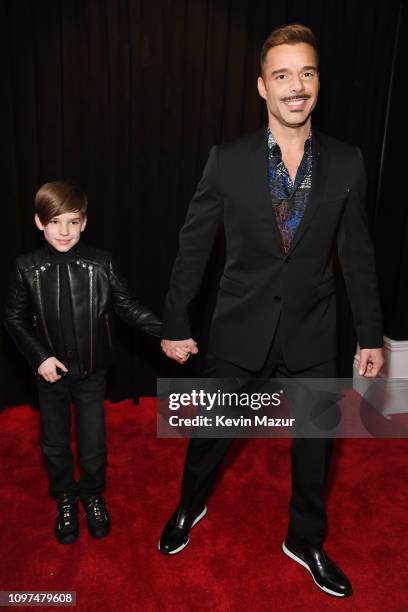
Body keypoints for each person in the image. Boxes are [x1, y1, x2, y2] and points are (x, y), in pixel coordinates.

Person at [158, 24, 384, 598]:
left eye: (306, 73)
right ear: (262, 87)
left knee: (315, 451)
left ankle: (305, 539)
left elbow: (357, 255)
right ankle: (189, 504)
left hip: (315, 330)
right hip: (239, 327)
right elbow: (193, 246)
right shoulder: (227, 160)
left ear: (317, 83)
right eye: (282, 75)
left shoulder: (348, 161)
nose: (296, 85)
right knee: (210, 432)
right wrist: (176, 322)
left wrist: (371, 336)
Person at [3, 181, 162, 544]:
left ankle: (91, 493)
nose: (64, 231)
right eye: (55, 221)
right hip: (50, 376)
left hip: (93, 373)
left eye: (72, 222)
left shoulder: (101, 263)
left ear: (84, 223)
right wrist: (39, 356)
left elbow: (128, 307)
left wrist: (169, 333)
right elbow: (12, 317)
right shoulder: (26, 267)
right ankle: (64, 497)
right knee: (54, 444)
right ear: (39, 223)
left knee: (93, 444)